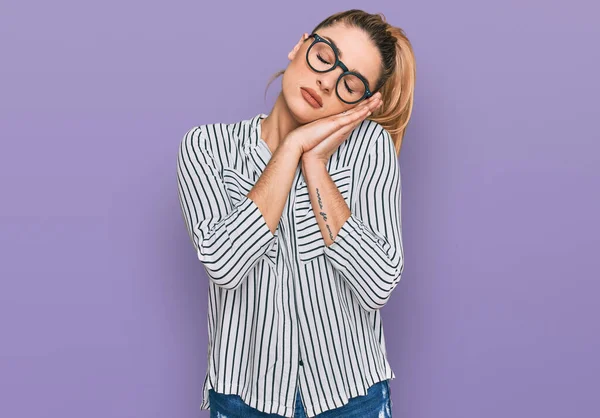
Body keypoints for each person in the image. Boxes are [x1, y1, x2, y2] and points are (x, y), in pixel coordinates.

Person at [177, 8, 416, 418]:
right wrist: (290, 149)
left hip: (350, 396)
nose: (327, 81)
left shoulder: (369, 149)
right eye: (324, 56)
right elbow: (223, 263)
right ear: (299, 46)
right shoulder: (207, 148)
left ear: (361, 101)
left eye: (351, 83)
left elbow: (378, 284)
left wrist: (316, 164)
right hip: (244, 398)